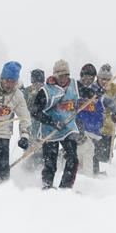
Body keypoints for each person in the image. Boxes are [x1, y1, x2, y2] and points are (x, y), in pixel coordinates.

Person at [33, 60, 81, 189]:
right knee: (50, 162)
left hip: (68, 129)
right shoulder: (46, 90)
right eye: (60, 76)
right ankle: (47, 186)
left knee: (73, 158)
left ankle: (65, 186)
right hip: (50, 131)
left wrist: (97, 93)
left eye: (65, 75)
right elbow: (35, 112)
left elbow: (88, 94)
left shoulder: (75, 85)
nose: (63, 79)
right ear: (55, 75)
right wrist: (52, 122)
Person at [75, 63, 106, 176]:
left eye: (91, 77)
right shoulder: (75, 88)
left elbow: (101, 110)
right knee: (80, 156)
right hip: (78, 131)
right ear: (81, 76)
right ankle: (82, 178)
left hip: (93, 131)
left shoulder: (98, 92)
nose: (87, 79)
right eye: (85, 76)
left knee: (92, 158)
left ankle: (91, 179)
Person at [94, 64, 116, 174]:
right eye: (103, 79)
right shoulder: (93, 88)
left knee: (106, 155)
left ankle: (105, 172)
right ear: (98, 78)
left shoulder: (115, 88)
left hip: (109, 125)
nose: (105, 81)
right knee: (94, 152)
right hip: (95, 123)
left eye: (108, 79)